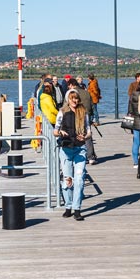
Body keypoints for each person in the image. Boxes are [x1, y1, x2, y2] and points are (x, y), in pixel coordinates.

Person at [54, 91, 91, 221]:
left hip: (80, 149)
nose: (74, 101)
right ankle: (68, 206)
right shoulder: (62, 112)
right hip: (66, 149)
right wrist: (60, 132)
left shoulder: (83, 112)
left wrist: (85, 136)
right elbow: (55, 131)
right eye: (72, 99)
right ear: (68, 100)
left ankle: (77, 208)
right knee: (67, 179)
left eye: (76, 99)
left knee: (80, 178)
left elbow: (89, 131)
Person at [67, 79, 98, 164]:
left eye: (69, 85)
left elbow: (66, 105)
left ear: (72, 85)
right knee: (88, 136)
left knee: (76, 135)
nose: (68, 87)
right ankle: (91, 157)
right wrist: (91, 116)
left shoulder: (71, 93)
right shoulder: (86, 92)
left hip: (75, 115)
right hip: (86, 115)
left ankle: (78, 155)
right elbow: (91, 105)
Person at [128, 80, 140, 168]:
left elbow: (130, 110)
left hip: (135, 121)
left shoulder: (132, 96)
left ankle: (135, 161)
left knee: (136, 142)